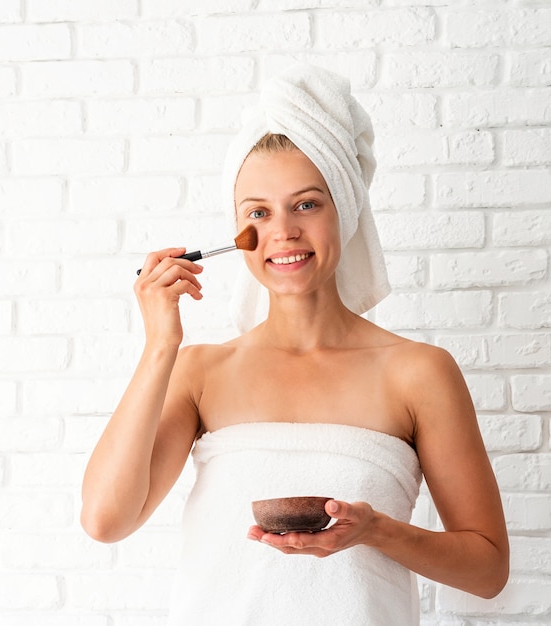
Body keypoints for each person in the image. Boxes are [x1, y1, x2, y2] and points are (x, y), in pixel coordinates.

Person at [81, 64, 509, 625]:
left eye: (306, 204)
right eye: (258, 212)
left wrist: (376, 531)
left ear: (345, 210)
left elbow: (487, 569)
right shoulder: (200, 371)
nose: (282, 231)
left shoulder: (418, 373)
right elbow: (105, 521)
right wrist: (161, 344)